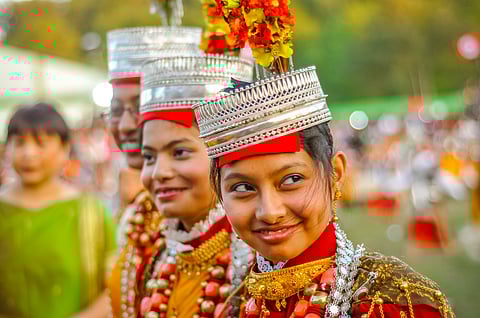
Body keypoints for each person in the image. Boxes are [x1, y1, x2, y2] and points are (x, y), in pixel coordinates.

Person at [135, 35, 254, 318]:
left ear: (225, 156)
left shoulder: (255, 258)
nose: (159, 173)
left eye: (179, 153)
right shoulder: (159, 257)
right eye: (149, 157)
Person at [0, 103, 116, 318]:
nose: (28, 153)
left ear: (65, 149)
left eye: (40, 143)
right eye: (19, 143)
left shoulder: (90, 213)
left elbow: (115, 286)